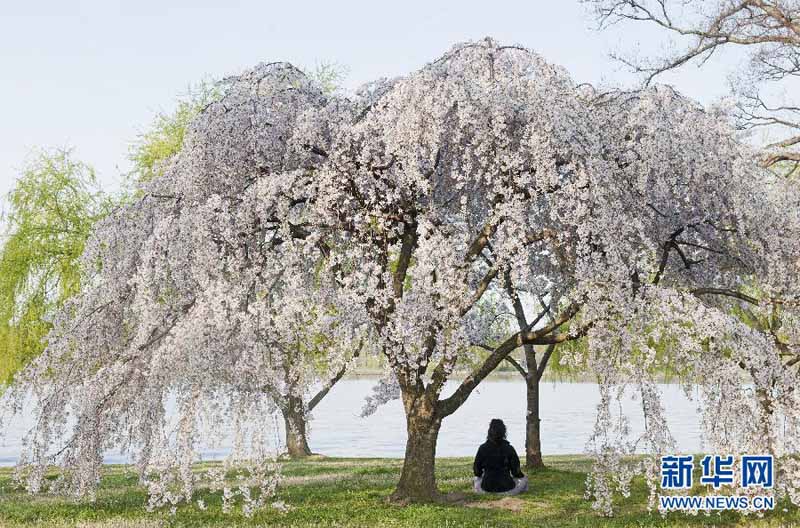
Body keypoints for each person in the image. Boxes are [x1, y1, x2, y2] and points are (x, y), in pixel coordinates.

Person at [472, 418, 528, 495]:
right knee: (524, 479)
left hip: (486, 489)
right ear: (504, 432)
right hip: (507, 489)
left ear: (489, 432)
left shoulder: (482, 448)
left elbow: (476, 471)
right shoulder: (509, 448)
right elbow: (516, 472)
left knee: (476, 479)